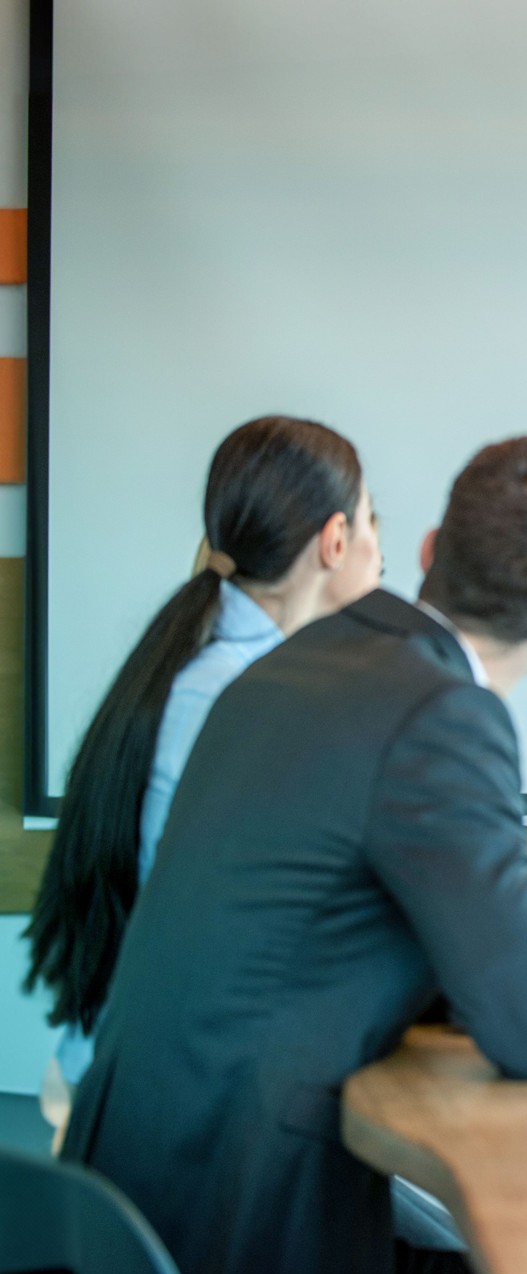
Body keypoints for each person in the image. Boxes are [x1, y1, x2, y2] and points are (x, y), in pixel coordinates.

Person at [60, 436, 527, 1274]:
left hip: (135, 1187)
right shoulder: (445, 714)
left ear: (429, 549)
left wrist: (525, 935)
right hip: (242, 1213)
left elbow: (331, 920)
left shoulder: (299, 658)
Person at [25, 415, 383, 1143]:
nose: (382, 546)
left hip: (128, 1079)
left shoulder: (204, 665)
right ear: (336, 540)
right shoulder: (254, 697)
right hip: (176, 1113)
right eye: (373, 520)